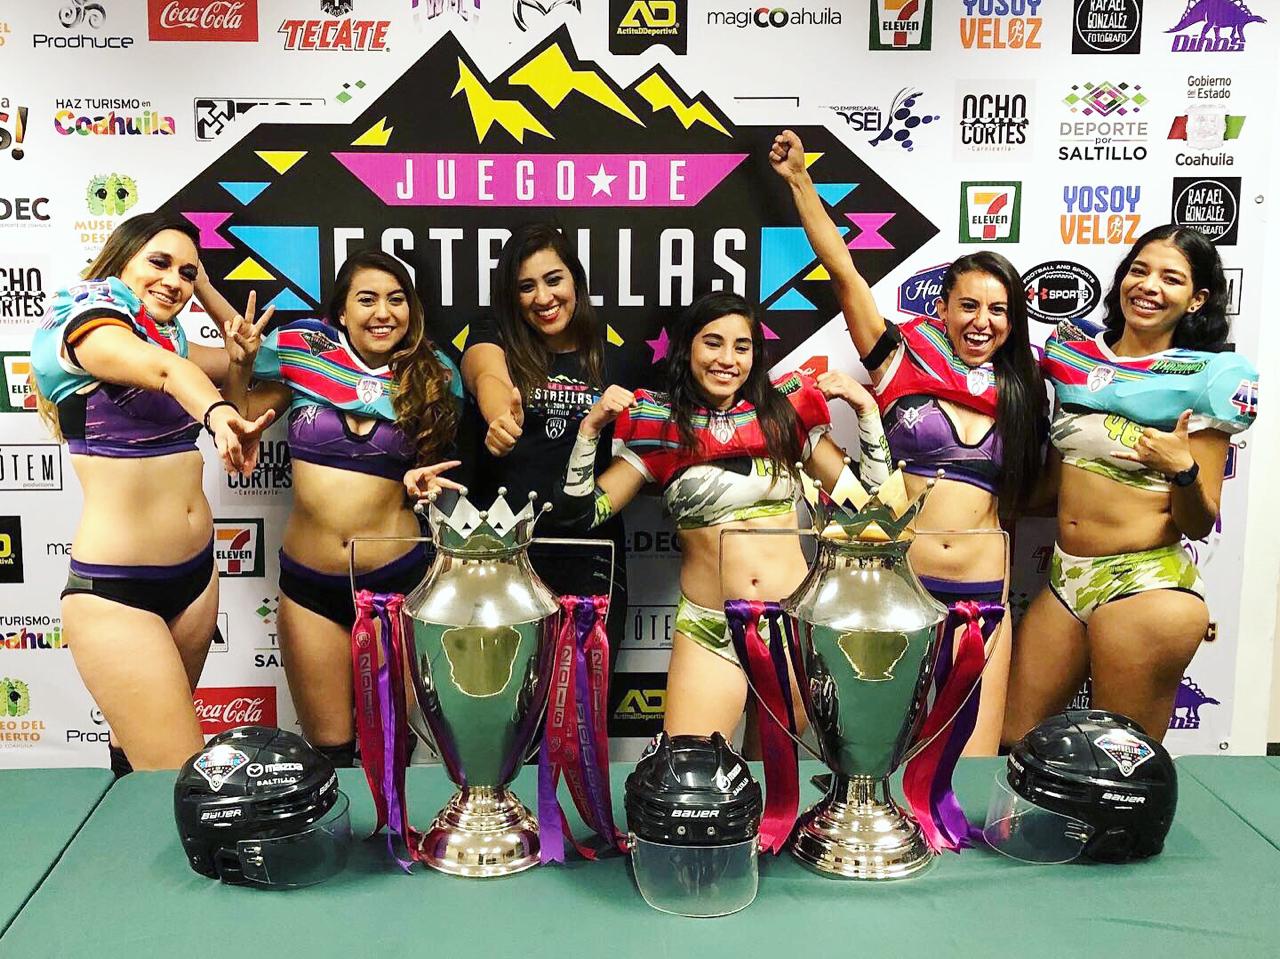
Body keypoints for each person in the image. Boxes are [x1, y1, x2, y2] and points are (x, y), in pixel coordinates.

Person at [770, 128, 1045, 755]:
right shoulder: (900, 358)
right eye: (968, 306)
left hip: (984, 595)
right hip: (898, 585)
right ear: (942, 308)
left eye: (998, 310)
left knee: (969, 763)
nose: (982, 322)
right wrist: (801, 182)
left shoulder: (1027, 389)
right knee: (881, 753)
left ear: (1013, 321)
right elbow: (844, 274)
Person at [557, 290, 891, 739]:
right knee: (690, 768)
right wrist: (589, 431)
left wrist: (867, 412)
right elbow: (581, 515)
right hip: (709, 630)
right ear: (686, 348)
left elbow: (872, 510)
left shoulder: (783, 418)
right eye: (712, 343)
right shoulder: (661, 426)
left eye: (741, 346)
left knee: (776, 775)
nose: (727, 360)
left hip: (787, 626)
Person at [29, 212, 274, 774]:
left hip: (196, 579)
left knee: (140, 759)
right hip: (117, 591)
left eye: (187, 272)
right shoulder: (86, 323)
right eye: (158, 263)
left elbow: (257, 361)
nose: (174, 281)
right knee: (178, 772)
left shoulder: (169, 336)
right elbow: (166, 373)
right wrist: (217, 414)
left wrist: (216, 311)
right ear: (121, 261)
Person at [1004, 226, 1258, 742]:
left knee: (1122, 757)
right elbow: (1051, 485)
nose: (1149, 285)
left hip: (1144, 583)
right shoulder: (1071, 356)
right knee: (1012, 739)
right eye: (1139, 270)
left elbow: (1199, 522)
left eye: (1171, 278)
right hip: (1065, 577)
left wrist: (1182, 470)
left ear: (1197, 299)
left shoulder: (1211, 376)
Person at [212, 250, 461, 767]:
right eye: (367, 300)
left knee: (390, 750)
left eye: (396, 299)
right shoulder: (307, 356)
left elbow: (445, 475)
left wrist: (418, 485)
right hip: (310, 587)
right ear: (342, 313)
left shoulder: (434, 374)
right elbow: (242, 415)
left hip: (395, 583)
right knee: (328, 750)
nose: (383, 312)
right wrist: (239, 365)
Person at [458, 223, 630, 665]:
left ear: (575, 280)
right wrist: (500, 418)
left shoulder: (610, 354)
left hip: (590, 556)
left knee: (585, 698)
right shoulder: (491, 334)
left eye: (554, 280)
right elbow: (487, 375)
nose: (543, 297)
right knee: (505, 695)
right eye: (526, 287)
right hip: (505, 555)